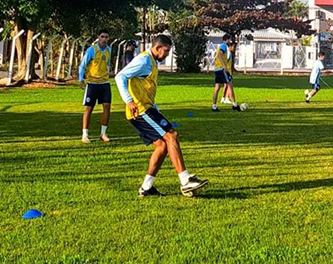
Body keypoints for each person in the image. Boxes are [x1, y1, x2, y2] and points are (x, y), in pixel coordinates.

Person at [115, 35, 209, 197]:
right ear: (158, 48)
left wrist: (155, 109)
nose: (167, 54)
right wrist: (129, 101)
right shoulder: (144, 60)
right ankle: (185, 180)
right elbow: (120, 76)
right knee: (172, 135)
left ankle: (146, 187)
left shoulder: (151, 62)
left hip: (147, 109)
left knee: (162, 146)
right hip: (140, 111)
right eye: (166, 51)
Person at [78, 30, 112, 144]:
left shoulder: (109, 50)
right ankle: (85, 134)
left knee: (107, 107)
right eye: (102, 37)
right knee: (89, 108)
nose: (104, 39)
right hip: (92, 83)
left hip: (104, 83)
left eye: (106, 37)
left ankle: (103, 133)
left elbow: (107, 64)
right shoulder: (92, 50)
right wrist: (81, 79)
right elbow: (82, 65)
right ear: (98, 37)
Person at [212, 34, 242, 112]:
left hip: (217, 69)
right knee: (230, 85)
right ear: (227, 39)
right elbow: (219, 55)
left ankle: (214, 106)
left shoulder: (222, 46)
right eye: (229, 40)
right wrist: (224, 66)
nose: (230, 41)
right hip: (222, 69)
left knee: (217, 87)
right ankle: (235, 105)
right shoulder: (223, 46)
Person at [220, 42, 239, 107]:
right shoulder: (228, 53)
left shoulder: (230, 53)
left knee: (226, 85)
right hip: (226, 71)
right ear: (230, 47)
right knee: (229, 85)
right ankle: (227, 98)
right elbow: (225, 61)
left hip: (228, 71)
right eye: (233, 47)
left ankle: (223, 98)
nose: (234, 48)